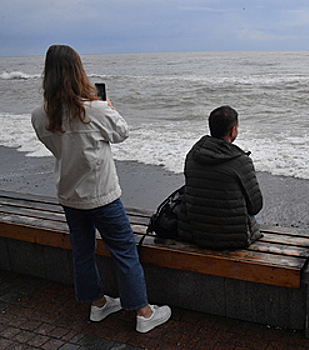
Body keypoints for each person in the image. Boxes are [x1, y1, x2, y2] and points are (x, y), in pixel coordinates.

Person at [31, 45, 171, 333]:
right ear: (78, 72)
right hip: (102, 194)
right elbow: (122, 133)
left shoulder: (40, 115)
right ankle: (143, 313)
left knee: (82, 251)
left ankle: (98, 305)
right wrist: (108, 106)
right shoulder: (94, 110)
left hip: (69, 195)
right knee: (124, 251)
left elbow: (54, 147)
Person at [178, 106, 263, 250]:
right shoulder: (241, 162)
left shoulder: (193, 155)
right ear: (233, 131)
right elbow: (255, 206)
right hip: (233, 239)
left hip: (195, 233)